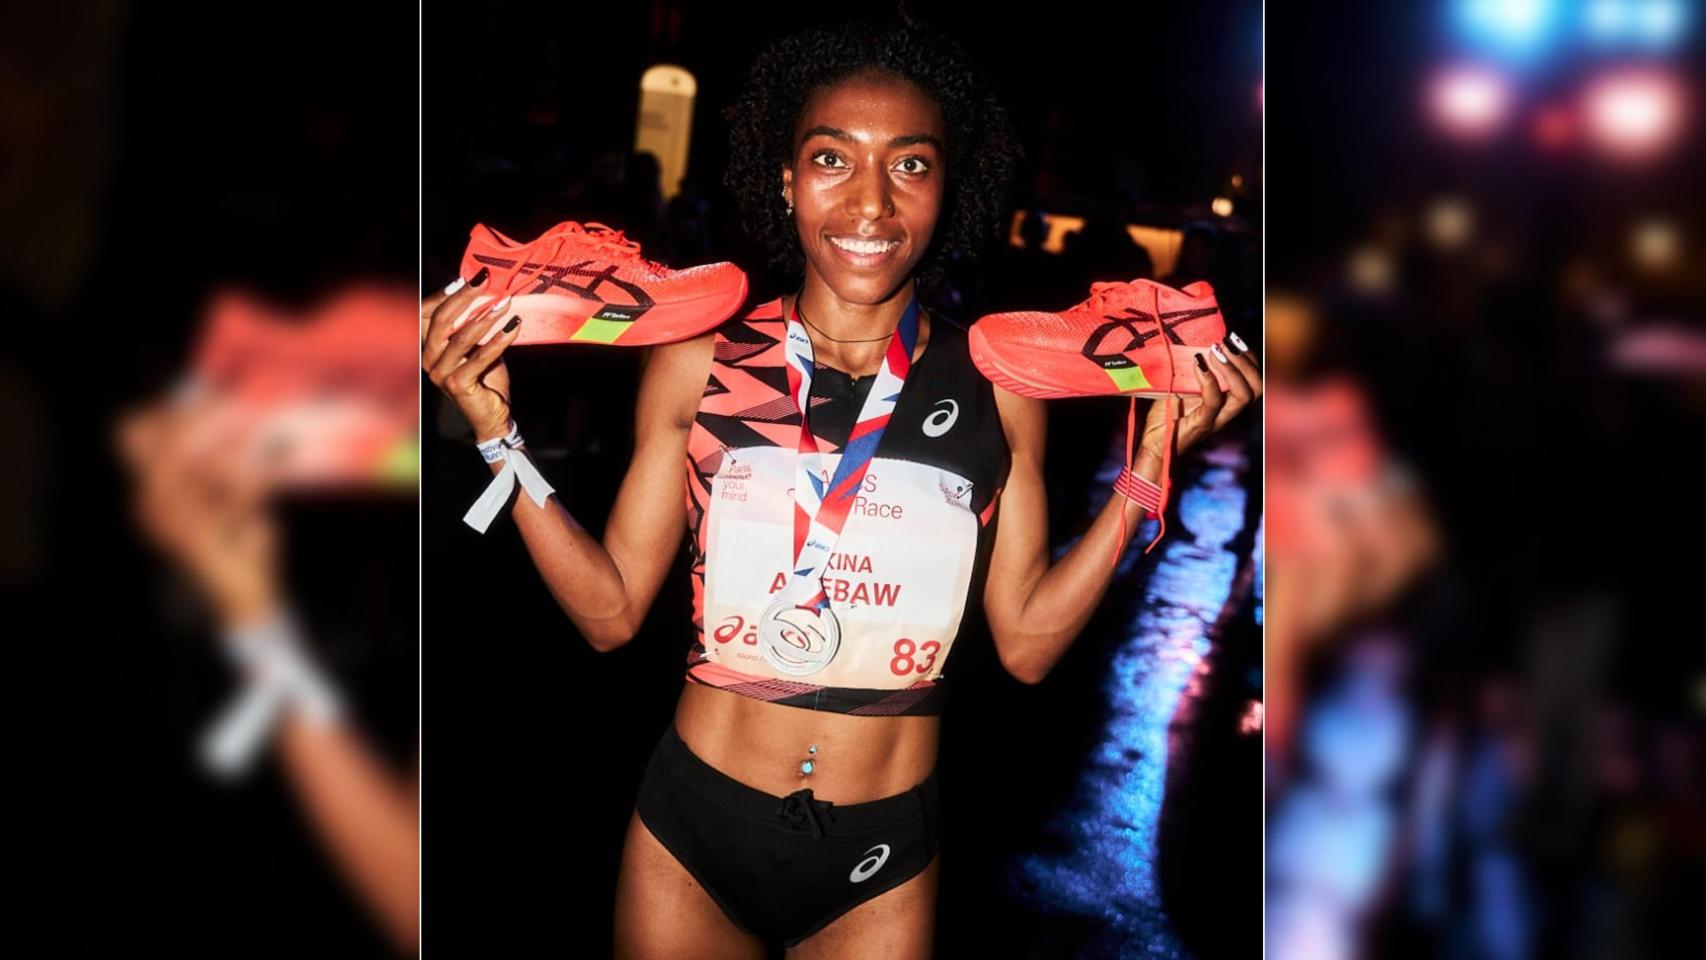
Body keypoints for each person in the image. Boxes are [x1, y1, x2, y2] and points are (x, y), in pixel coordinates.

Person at [421, 17, 1260, 959]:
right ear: (786, 179)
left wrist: (1149, 470)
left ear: (947, 187)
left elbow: (1027, 646)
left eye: (910, 165)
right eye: (832, 158)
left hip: (882, 860)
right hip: (691, 833)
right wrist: (496, 435)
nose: (870, 202)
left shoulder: (1000, 381)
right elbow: (610, 614)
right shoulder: (702, 357)